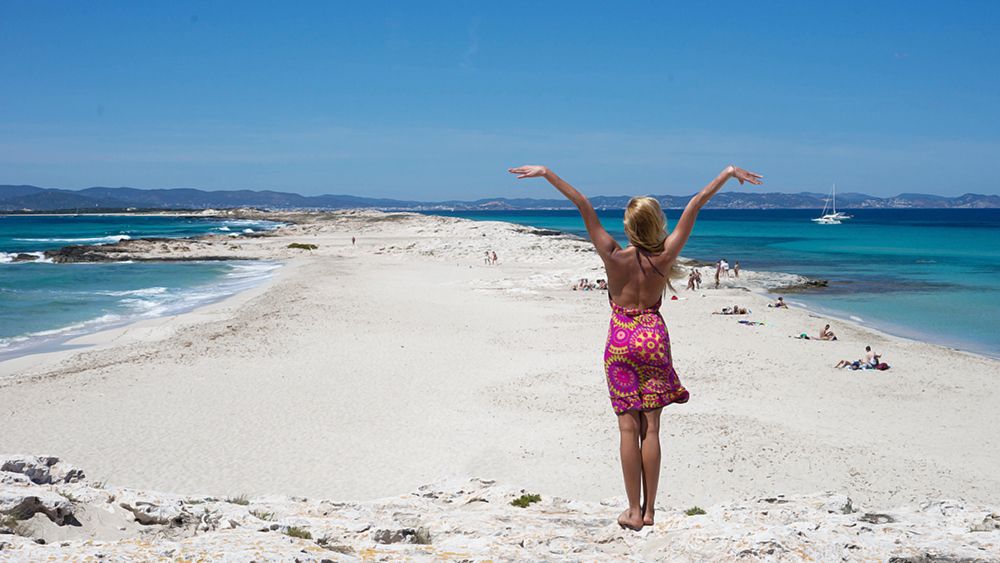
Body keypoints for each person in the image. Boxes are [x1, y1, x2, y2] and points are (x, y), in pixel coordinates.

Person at [508, 162, 763, 531]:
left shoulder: (613, 255)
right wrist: (726, 174)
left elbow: (582, 204)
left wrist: (546, 173)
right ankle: (650, 511)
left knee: (628, 429)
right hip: (653, 338)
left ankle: (632, 511)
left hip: (621, 340)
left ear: (629, 227)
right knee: (653, 429)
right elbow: (695, 204)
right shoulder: (665, 256)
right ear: (656, 225)